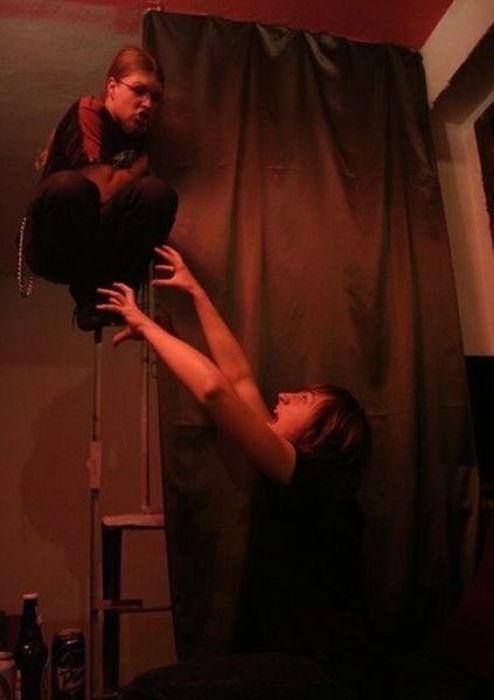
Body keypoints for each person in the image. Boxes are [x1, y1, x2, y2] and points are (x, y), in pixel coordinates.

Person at [98, 246, 372, 699]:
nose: (284, 395)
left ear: (322, 435)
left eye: (304, 400)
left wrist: (145, 325)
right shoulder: (292, 471)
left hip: (326, 672)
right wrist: (195, 291)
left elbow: (215, 392)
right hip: (296, 663)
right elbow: (239, 378)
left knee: (149, 691)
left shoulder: (319, 484)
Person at [22, 45, 178, 330]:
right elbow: (102, 190)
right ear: (112, 86)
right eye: (139, 90)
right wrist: (137, 168)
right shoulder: (89, 110)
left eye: (155, 97)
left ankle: (112, 302)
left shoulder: (141, 133)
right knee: (70, 186)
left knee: (157, 194)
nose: (147, 103)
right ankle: (88, 297)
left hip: (96, 248)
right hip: (52, 245)